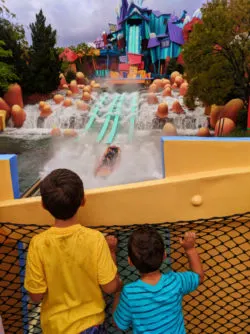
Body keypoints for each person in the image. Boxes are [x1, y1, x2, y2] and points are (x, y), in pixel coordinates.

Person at [24, 168, 122, 334]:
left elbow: (35, 296)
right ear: (83, 201)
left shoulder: (37, 244)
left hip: (55, 328)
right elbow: (110, 287)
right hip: (92, 327)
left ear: (43, 205)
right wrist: (119, 282)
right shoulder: (95, 239)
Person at [112, 226, 204, 334]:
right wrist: (190, 249)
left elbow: (119, 325)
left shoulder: (129, 293)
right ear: (164, 255)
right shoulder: (175, 282)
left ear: (130, 261)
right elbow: (199, 277)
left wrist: (118, 291)